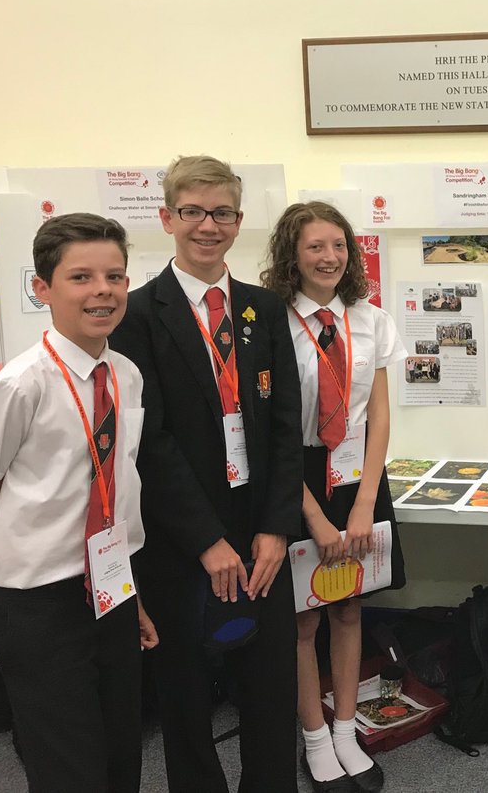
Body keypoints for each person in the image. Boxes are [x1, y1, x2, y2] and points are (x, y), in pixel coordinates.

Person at [0, 213, 158, 792]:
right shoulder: (18, 386)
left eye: (115, 276)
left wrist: (128, 591)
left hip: (110, 585)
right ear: (43, 288)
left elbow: (119, 491)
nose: (103, 291)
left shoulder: (125, 375)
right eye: (81, 277)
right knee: (68, 764)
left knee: (122, 753)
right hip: (38, 602)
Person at [110, 155, 303, 793]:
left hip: (260, 529)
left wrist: (276, 528)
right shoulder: (136, 316)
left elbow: (285, 429)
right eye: (192, 211)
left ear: (239, 221)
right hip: (179, 536)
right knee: (186, 692)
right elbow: (150, 443)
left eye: (221, 212)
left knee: (270, 687)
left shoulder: (263, 310)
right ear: (167, 218)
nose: (207, 225)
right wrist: (206, 541)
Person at [260, 202, 407, 793]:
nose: (329, 257)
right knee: (303, 617)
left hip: (357, 475)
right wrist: (315, 516)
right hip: (295, 476)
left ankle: (347, 730)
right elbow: (266, 431)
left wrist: (365, 502)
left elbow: (379, 415)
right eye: (316, 246)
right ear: (292, 255)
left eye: (339, 246)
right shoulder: (271, 318)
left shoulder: (369, 319)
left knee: (349, 606)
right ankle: (315, 738)